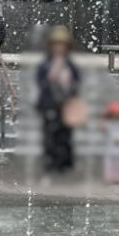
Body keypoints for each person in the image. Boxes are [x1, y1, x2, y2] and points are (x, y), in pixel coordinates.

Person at [36, 25, 82, 175]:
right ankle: (51, 161)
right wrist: (52, 77)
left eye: (62, 45)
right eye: (56, 44)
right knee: (50, 134)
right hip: (50, 104)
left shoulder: (70, 65)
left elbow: (77, 83)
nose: (59, 48)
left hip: (66, 106)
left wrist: (70, 88)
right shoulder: (46, 64)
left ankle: (65, 162)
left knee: (65, 135)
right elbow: (41, 82)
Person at [101, 101, 119, 185]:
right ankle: (109, 177)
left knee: (118, 162)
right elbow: (104, 130)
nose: (116, 116)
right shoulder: (107, 123)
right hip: (109, 145)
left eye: (117, 114)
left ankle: (117, 176)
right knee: (109, 162)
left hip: (118, 145)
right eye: (114, 114)